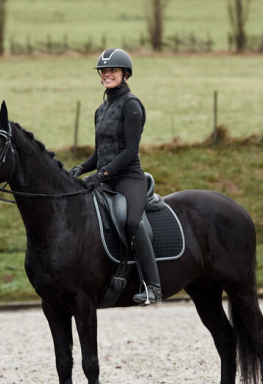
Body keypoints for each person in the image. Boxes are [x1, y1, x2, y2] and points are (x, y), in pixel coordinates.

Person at [69, 48, 162, 305]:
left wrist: (102, 174)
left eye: (113, 70)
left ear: (125, 74)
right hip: (105, 177)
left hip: (128, 178)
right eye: (104, 71)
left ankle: (153, 286)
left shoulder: (132, 105)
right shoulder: (101, 110)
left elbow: (130, 151)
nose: (107, 74)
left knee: (130, 220)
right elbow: (101, 152)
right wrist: (80, 168)